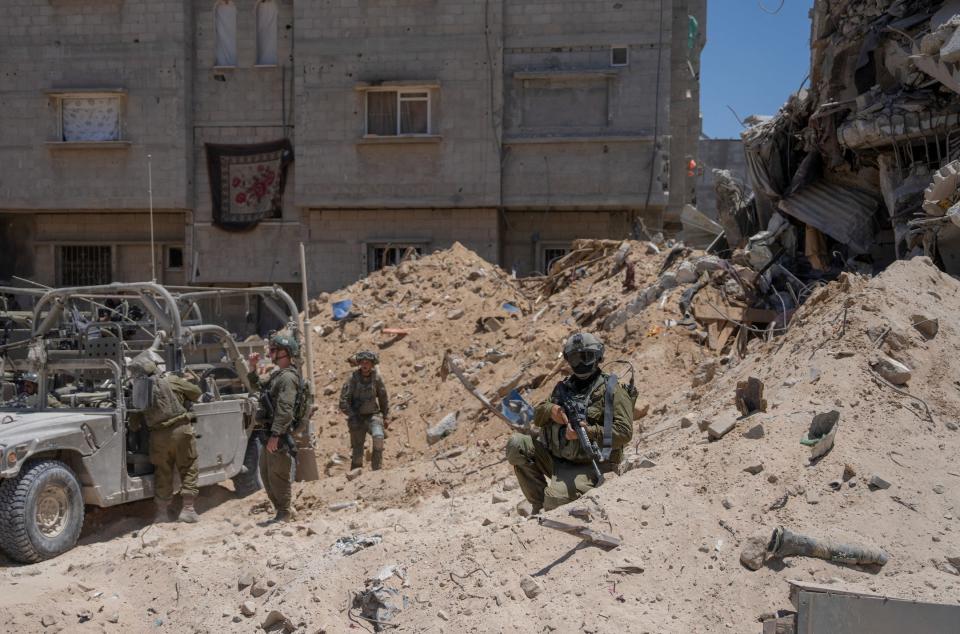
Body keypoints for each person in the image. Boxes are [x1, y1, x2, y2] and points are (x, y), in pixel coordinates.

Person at [505, 332, 634, 514]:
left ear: (598, 357)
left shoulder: (612, 390)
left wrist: (588, 431)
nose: (581, 364)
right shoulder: (563, 388)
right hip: (559, 460)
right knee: (517, 445)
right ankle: (538, 506)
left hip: (592, 464)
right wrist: (553, 411)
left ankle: (549, 505)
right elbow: (537, 416)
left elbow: (625, 432)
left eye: (586, 357)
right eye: (575, 359)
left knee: (555, 500)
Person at [128, 356, 202, 523]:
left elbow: (133, 425)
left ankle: (162, 514)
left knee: (163, 471)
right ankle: (188, 509)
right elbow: (196, 393)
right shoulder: (171, 380)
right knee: (189, 465)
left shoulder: (138, 392)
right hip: (180, 430)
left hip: (158, 436)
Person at [247, 334, 304, 523]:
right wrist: (252, 368)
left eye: (273, 350)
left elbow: (285, 409)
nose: (270, 354)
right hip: (270, 432)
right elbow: (257, 386)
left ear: (285, 353)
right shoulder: (277, 375)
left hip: (278, 434)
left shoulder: (287, 378)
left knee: (278, 475)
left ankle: (284, 512)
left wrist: (276, 434)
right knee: (266, 474)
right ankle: (282, 511)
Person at [339, 351, 390, 471]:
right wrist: (352, 415)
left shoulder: (376, 378)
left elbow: (383, 397)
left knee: (378, 437)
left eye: (368, 362)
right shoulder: (352, 379)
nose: (365, 365)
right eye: (362, 362)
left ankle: (376, 470)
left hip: (373, 415)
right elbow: (343, 402)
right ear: (359, 364)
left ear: (372, 364)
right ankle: (356, 475)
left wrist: (386, 416)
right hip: (357, 417)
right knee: (357, 449)